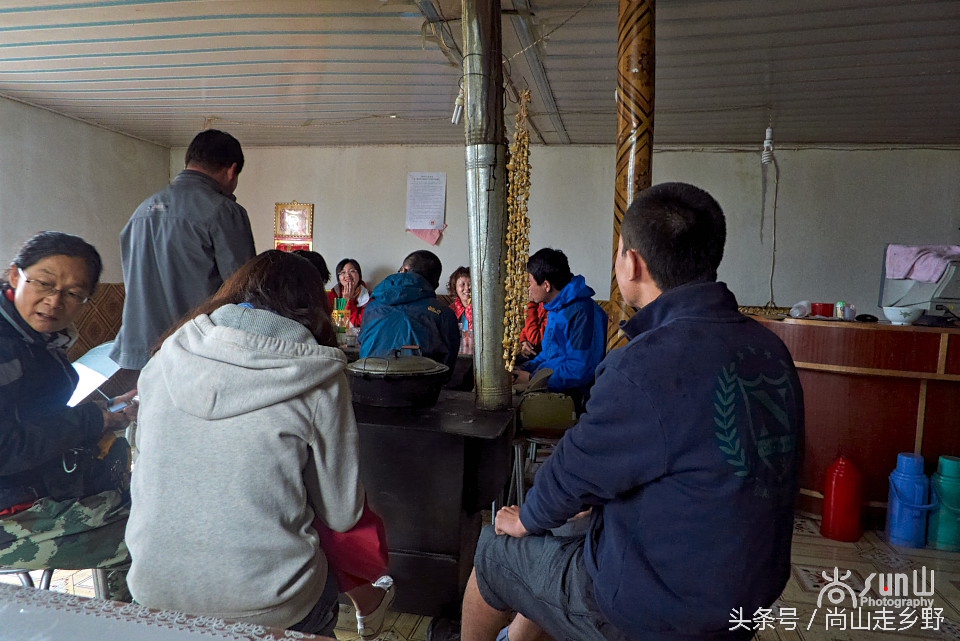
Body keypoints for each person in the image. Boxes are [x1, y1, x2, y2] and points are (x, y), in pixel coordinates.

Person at [461, 182, 805, 641]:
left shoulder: (644, 363)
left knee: (497, 552)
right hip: (748, 593)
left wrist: (523, 518)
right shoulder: (769, 348)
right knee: (561, 538)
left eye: (620, 251)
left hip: (658, 609)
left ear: (633, 262)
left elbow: (571, 473)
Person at [125, 251, 394, 637]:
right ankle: (368, 604)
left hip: (154, 589)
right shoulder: (317, 374)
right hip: (272, 601)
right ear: (313, 304)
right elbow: (342, 513)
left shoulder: (166, 357)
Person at [0, 231, 136, 600]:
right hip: (9, 508)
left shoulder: (38, 337)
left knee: (120, 462)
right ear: (16, 276)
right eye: (44, 283)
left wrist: (104, 413)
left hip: (33, 481)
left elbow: (37, 414)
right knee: (142, 536)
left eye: (73, 293)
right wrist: (93, 421)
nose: (54, 301)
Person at [110, 129, 256, 372]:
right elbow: (243, 288)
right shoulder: (223, 211)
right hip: (195, 353)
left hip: (139, 355)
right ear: (232, 170)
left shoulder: (140, 212)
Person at [513, 248, 607, 398]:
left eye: (530, 283)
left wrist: (532, 378)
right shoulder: (557, 307)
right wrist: (523, 368)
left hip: (572, 396)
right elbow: (548, 354)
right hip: (550, 384)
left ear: (546, 285)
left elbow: (579, 371)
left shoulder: (581, 312)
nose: (528, 289)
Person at [359, 250, 460, 371]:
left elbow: (362, 344)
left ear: (404, 270)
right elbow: (448, 368)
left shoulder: (372, 307)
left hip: (368, 385)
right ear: (435, 284)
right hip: (421, 387)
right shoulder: (444, 314)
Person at [327, 258, 371, 328]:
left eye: (352, 271)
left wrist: (348, 301)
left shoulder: (368, 298)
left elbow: (358, 324)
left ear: (359, 275)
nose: (347, 275)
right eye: (343, 272)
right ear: (338, 277)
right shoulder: (332, 295)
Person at [447, 266, 472, 332]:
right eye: (462, 284)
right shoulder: (451, 310)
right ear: (455, 287)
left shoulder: (483, 309)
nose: (467, 288)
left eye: (470, 284)